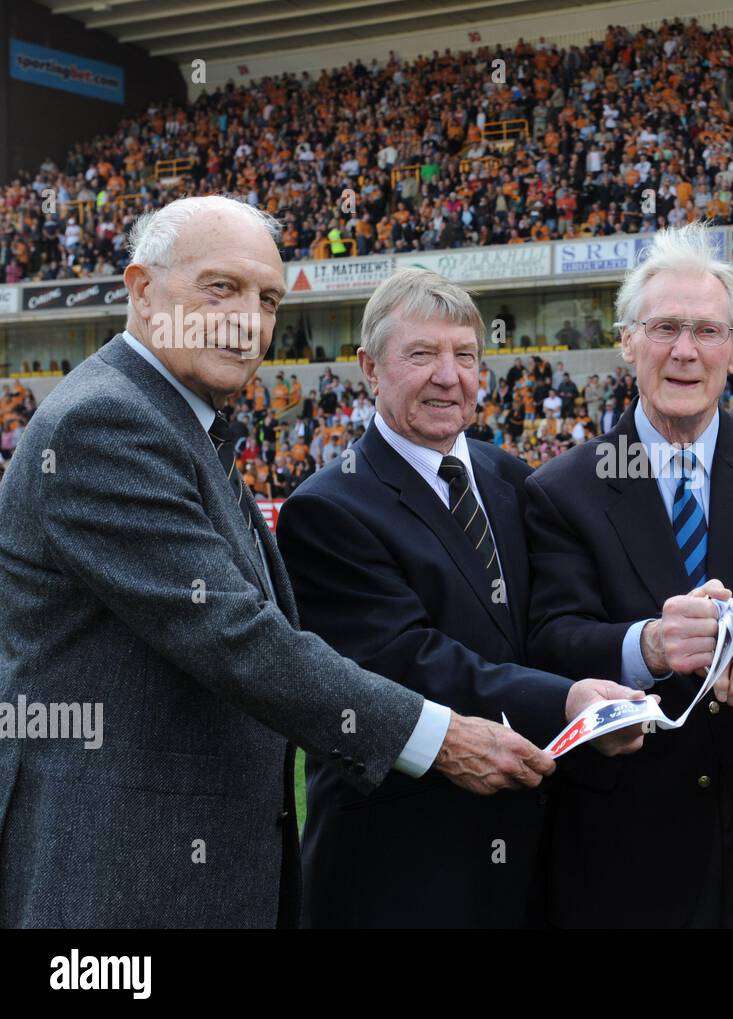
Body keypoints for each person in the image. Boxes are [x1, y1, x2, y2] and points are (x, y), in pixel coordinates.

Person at [0, 196, 576, 928]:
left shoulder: (178, 421)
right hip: (123, 876)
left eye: (268, 298)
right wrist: (439, 737)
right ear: (142, 290)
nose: (250, 319)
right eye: (222, 287)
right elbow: (236, 636)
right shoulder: (105, 423)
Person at [275, 268, 645, 928]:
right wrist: (564, 699)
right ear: (369, 368)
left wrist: (651, 640)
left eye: (466, 355)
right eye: (422, 354)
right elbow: (410, 659)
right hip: (403, 872)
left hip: (531, 856)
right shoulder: (327, 508)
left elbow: (547, 624)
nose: (449, 376)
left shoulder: (512, 477)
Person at [523, 222, 733, 928]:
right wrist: (646, 645)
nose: (684, 350)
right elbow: (548, 640)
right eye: (665, 327)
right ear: (627, 341)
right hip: (632, 860)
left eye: (707, 330)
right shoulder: (563, 487)